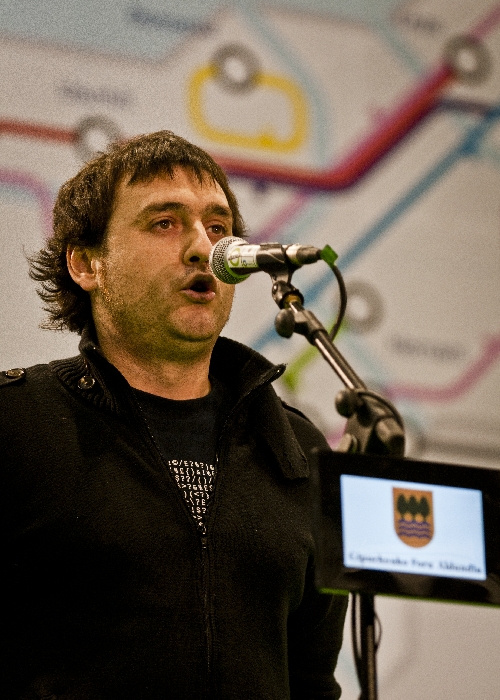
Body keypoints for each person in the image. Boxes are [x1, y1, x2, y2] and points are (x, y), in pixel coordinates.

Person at [1, 131, 347, 699]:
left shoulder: (296, 447)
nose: (202, 249)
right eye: (165, 222)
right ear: (87, 264)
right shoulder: (16, 422)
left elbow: (312, 681)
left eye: (217, 227)